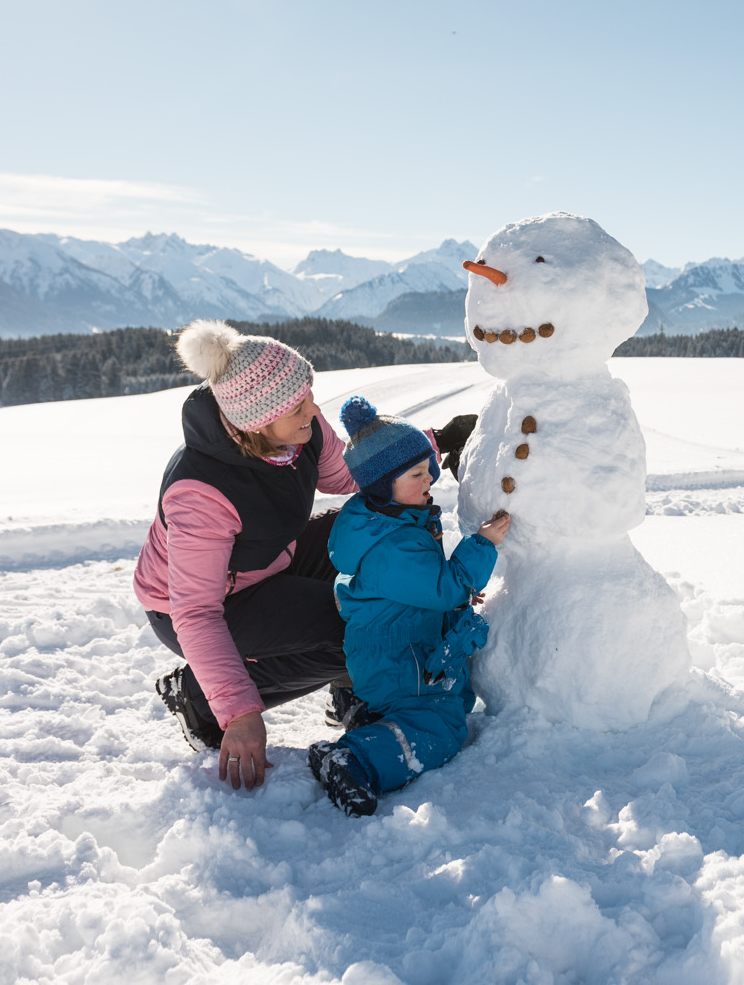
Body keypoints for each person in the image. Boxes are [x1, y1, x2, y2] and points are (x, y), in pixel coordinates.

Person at [135, 320, 465, 792]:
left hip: (268, 561)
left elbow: (353, 477)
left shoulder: (298, 429)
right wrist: (240, 713)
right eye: (298, 404)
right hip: (197, 608)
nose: (313, 408)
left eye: (309, 394)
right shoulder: (201, 494)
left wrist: (432, 446)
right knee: (363, 630)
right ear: (255, 418)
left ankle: (352, 690)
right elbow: (196, 611)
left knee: (385, 534)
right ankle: (201, 700)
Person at [306, 396, 508, 816]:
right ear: (382, 485)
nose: (429, 480)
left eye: (429, 471)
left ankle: (369, 709)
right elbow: (443, 587)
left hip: (398, 651)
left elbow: (426, 589)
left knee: (450, 696)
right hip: (399, 658)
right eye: (416, 474)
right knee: (443, 726)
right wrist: (483, 546)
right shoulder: (391, 543)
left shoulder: (394, 522)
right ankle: (355, 758)